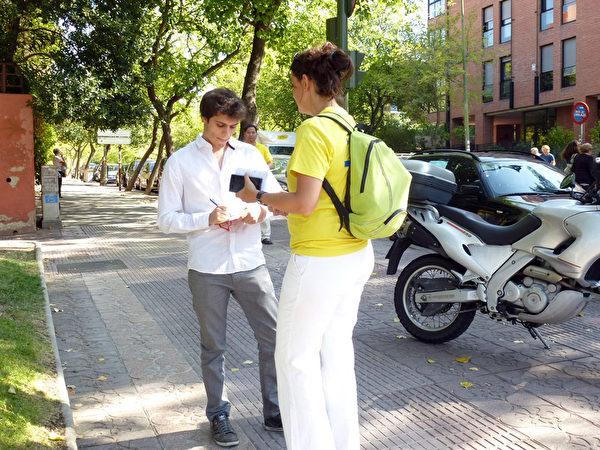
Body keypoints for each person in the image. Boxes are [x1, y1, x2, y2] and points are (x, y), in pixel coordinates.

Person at [236, 42, 375, 450]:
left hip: (319, 261)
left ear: (305, 81)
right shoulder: (347, 124)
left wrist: (258, 197)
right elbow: (325, 198)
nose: (294, 93)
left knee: (294, 360)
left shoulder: (314, 130)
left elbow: (305, 202)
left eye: (293, 85)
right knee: (336, 356)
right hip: (356, 253)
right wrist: (284, 204)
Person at [157, 88, 283, 447]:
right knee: (213, 346)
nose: (226, 133)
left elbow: (274, 203)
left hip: (251, 263)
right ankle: (218, 415)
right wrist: (207, 218)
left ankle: (274, 409)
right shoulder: (180, 162)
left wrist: (256, 211)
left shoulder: (250, 155)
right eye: (219, 126)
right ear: (204, 119)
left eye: (232, 127)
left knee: (273, 338)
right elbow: (166, 220)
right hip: (207, 268)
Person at [243, 124, 274, 245]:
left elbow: (271, 163)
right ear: (244, 134)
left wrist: (262, 169)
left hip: (260, 180)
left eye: (253, 132)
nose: (251, 135)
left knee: (263, 204)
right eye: (249, 132)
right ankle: (247, 235)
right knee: (245, 205)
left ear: (256, 134)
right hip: (244, 180)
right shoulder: (240, 148)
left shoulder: (262, 148)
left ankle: (265, 236)